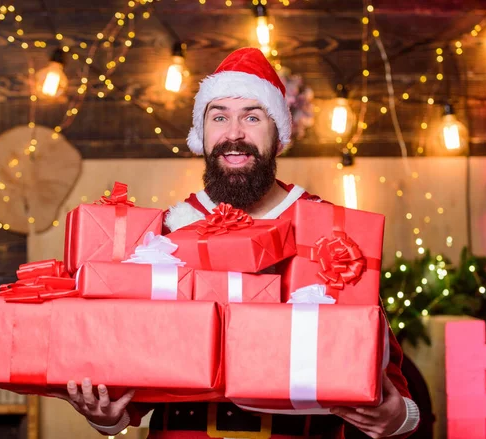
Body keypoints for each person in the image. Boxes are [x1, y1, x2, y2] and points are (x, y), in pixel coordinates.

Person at [54, 48, 420, 439]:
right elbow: (131, 389)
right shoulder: (162, 237)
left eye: (251, 116)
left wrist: (397, 417)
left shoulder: (331, 234)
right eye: (219, 117)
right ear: (202, 134)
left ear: (277, 133)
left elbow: (388, 373)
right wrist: (105, 416)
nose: (234, 133)